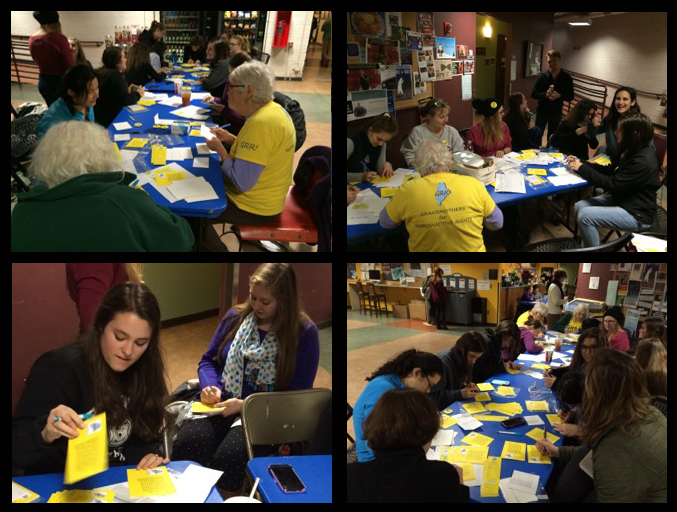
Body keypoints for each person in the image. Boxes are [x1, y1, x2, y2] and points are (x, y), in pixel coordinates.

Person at [12, 283, 172, 475]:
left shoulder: (146, 367)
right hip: (59, 481)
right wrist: (45, 432)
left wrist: (148, 455)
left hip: (119, 481)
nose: (128, 351)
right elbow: (17, 448)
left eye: (140, 342)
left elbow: (147, 433)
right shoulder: (58, 368)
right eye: (120, 337)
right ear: (101, 325)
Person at [379, 138, 503, 251]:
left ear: (418, 166)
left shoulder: (407, 190)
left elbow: (385, 223)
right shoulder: (474, 184)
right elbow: (497, 223)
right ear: (450, 163)